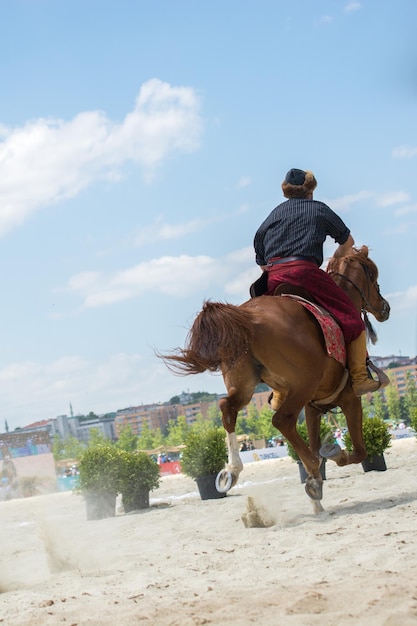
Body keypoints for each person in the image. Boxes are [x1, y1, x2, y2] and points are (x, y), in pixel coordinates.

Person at [253, 167, 380, 397]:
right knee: (351, 317)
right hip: (306, 274)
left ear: (286, 192)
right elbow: (348, 241)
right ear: (310, 190)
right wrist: (337, 258)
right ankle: (360, 377)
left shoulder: (270, 217)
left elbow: (261, 261)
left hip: (274, 279)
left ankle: (279, 392)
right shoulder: (319, 209)